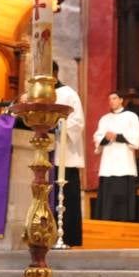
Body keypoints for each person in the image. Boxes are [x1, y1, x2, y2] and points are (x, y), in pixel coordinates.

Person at [92, 92, 139, 222]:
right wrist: (105, 138)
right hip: (108, 165)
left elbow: (136, 137)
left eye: (114, 98)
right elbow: (97, 138)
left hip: (125, 163)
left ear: (121, 100)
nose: (111, 101)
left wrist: (117, 136)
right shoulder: (104, 119)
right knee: (108, 200)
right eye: (109, 99)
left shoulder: (131, 116)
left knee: (124, 199)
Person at [52, 61, 85, 246]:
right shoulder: (39, 94)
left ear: (54, 74)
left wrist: (56, 125)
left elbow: (77, 123)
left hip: (64, 154)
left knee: (67, 197)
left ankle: (68, 237)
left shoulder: (68, 94)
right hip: (46, 153)